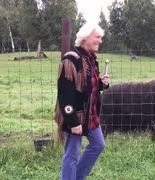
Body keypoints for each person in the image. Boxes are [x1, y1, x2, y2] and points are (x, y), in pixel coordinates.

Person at [54, 23, 110, 180]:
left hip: (90, 116)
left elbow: (88, 87)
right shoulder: (71, 60)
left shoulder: (91, 60)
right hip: (75, 116)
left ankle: (77, 177)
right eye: (97, 37)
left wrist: (101, 84)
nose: (100, 41)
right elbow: (65, 95)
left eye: (101, 38)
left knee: (98, 144)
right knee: (72, 153)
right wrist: (73, 122)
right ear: (85, 37)